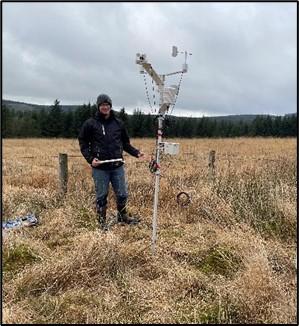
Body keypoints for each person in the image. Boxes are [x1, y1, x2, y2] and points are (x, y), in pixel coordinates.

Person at [78, 94, 144, 230]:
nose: (105, 107)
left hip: (117, 166)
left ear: (110, 106)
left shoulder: (118, 123)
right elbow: (83, 143)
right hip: (100, 167)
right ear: (98, 106)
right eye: (102, 105)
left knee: (122, 194)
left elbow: (125, 143)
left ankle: (122, 216)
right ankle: (101, 222)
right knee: (101, 195)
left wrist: (136, 153)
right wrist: (91, 159)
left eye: (107, 105)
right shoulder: (90, 123)